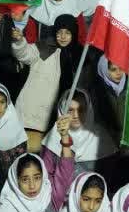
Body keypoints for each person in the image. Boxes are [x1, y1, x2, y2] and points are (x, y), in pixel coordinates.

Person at [13, 9, 81, 149]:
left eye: (67, 33)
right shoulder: (43, 48)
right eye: (59, 32)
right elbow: (24, 53)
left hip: (58, 121)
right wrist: (19, 41)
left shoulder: (79, 57)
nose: (63, 37)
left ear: (74, 34)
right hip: (30, 117)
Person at [43, 90, 115, 174]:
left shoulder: (101, 138)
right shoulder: (52, 139)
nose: (76, 116)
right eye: (70, 110)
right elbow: (46, 176)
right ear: (62, 110)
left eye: (81, 110)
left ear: (88, 110)